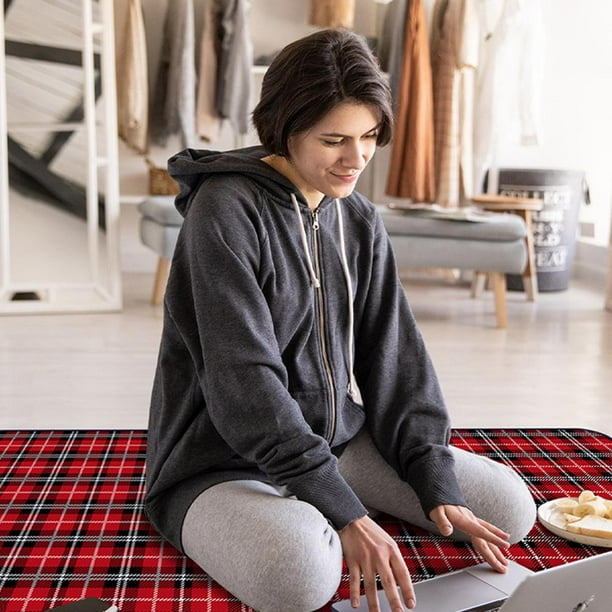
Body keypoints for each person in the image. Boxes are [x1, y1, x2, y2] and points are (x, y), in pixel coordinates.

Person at [144, 28, 536, 612]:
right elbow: (244, 386)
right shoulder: (222, 214)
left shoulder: (356, 216)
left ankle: (320, 500)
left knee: (506, 507)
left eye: (369, 136)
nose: (356, 159)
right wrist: (346, 512)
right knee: (299, 577)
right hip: (222, 461)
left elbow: (396, 357)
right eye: (333, 140)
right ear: (285, 128)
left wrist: (430, 475)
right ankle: (301, 512)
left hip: (337, 440)